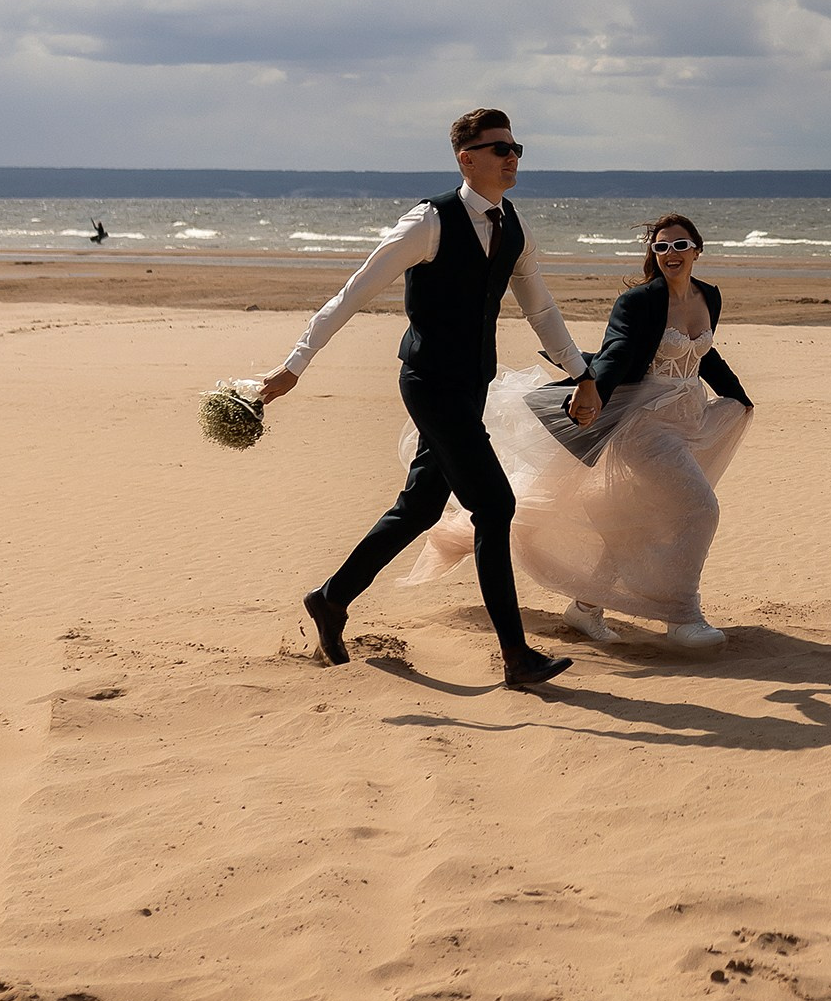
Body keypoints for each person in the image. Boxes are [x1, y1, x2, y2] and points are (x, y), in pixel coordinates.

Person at [256, 108, 595, 692]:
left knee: (418, 508)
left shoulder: (513, 226)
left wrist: (581, 372)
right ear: (467, 158)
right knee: (494, 506)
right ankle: (516, 657)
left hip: (471, 384)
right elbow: (353, 293)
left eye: (516, 148)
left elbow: (539, 309)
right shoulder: (428, 221)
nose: (512, 158)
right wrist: (294, 365)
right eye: (499, 149)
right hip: (431, 383)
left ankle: (331, 599)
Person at [403, 212, 751, 651]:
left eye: (680, 245)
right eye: (661, 246)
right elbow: (616, 354)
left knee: (639, 516)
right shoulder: (639, 303)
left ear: (696, 251)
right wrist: (592, 393)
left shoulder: (708, 296)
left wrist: (738, 396)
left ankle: (586, 606)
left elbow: (704, 355)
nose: (671, 254)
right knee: (699, 508)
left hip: (687, 417)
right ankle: (682, 616)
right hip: (642, 423)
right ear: (653, 253)